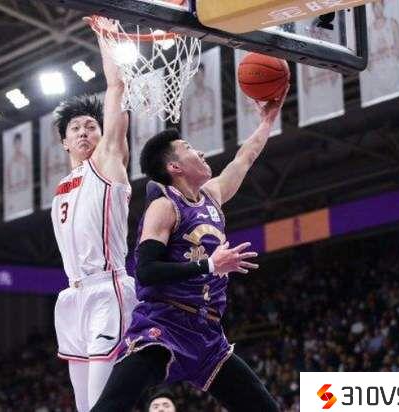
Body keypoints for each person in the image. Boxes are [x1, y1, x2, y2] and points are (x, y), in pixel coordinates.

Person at [91, 89, 288, 411]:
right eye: (189, 149)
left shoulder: (212, 196)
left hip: (207, 334)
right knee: (110, 407)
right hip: (163, 325)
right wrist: (209, 265)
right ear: (175, 167)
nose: (201, 152)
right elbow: (146, 271)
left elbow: (244, 158)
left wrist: (267, 120)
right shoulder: (164, 207)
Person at [50, 16, 138, 412]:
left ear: (104, 136)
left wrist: (106, 37)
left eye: (91, 126)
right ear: (64, 142)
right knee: (85, 407)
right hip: (72, 296)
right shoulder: (62, 187)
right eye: (76, 128)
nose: (84, 131)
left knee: (104, 404)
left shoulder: (107, 163)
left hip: (107, 289)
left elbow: (116, 87)